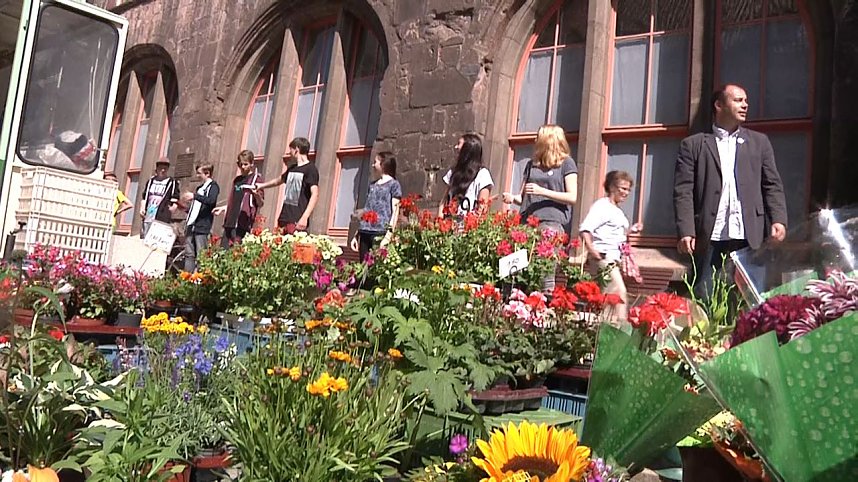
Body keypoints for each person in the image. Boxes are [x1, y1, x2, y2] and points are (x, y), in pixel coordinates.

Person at [674, 84, 788, 297]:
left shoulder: (759, 143)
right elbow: (684, 191)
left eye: (745, 100)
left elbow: (771, 184)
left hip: (749, 236)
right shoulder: (693, 145)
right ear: (719, 105)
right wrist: (686, 229)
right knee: (705, 298)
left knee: (751, 300)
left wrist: (778, 218)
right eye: (737, 100)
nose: (745, 105)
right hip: (710, 236)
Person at [503, 124, 578, 292]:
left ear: (548, 140)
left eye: (538, 137)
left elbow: (572, 197)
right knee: (512, 269)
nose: (535, 140)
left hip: (551, 222)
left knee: (545, 270)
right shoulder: (531, 165)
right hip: (527, 222)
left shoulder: (566, 164)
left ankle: (544, 308)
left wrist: (542, 191)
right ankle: (509, 303)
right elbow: (522, 196)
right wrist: (512, 198)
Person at [579, 171, 642, 322]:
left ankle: (608, 332)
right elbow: (585, 229)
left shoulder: (617, 211)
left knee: (609, 299)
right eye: (623, 188)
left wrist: (630, 230)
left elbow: (614, 234)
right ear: (612, 187)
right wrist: (593, 251)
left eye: (628, 189)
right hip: (603, 257)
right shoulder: (602, 206)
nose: (626, 193)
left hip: (614, 259)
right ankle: (618, 330)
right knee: (618, 294)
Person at [254, 137, 319, 233]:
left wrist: (305, 217)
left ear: (297, 149)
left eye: (291, 149)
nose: (289, 153)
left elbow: (315, 194)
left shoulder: (310, 169)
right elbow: (278, 180)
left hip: (297, 219)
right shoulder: (292, 168)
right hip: (284, 217)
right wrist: (261, 186)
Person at [350, 151, 402, 263]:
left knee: (377, 266)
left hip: (380, 231)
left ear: (383, 164)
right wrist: (357, 234)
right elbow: (367, 209)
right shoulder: (372, 185)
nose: (373, 165)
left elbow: (395, 211)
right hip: (365, 231)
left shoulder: (394, 185)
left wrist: (388, 235)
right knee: (363, 266)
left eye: (375, 162)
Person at [213, 150, 264, 247]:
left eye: (245, 164)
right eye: (240, 164)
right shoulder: (237, 180)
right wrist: (224, 208)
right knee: (223, 253)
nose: (243, 167)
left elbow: (260, 203)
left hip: (243, 223)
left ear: (252, 164)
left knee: (236, 253)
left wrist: (256, 194)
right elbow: (235, 200)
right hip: (230, 222)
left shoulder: (256, 180)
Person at [439, 133, 494, 216]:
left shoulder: (482, 174)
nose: (456, 147)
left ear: (467, 149)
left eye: (459, 144)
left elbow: (482, 208)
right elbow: (443, 202)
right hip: (450, 223)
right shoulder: (453, 172)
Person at [182, 163, 220, 272]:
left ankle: (200, 279)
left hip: (203, 226)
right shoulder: (199, 188)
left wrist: (195, 196)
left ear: (207, 173)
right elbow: (196, 207)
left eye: (199, 173)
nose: (197, 175)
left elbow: (211, 201)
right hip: (192, 224)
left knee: (201, 254)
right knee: (189, 253)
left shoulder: (213, 186)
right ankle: (187, 278)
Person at [140, 157, 180, 238]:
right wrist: (142, 207)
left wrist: (173, 208)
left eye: (165, 168)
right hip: (149, 213)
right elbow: (145, 196)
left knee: (157, 237)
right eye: (161, 168)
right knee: (146, 236)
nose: (163, 170)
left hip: (162, 213)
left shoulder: (172, 182)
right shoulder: (151, 181)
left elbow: (175, 197)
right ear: (157, 169)